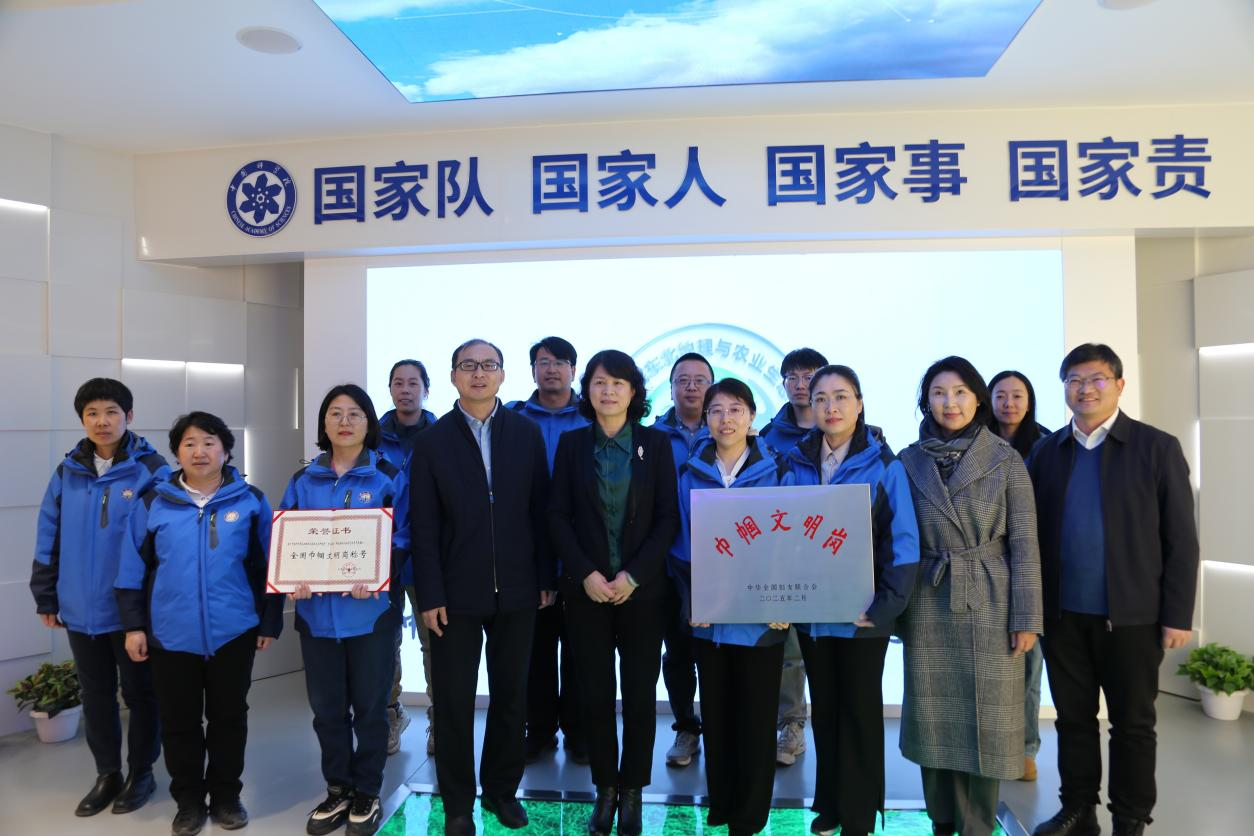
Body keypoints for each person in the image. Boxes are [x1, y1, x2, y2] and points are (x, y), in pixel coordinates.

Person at [1029, 344, 1198, 836]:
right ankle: (1079, 810)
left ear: (1119, 385)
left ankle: (1130, 818)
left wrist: (1177, 614)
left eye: (1097, 379)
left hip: (1133, 616)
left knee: (1133, 724)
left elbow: (1181, 539)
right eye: (1074, 380)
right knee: (1073, 720)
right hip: (1062, 616)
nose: (1085, 389)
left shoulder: (1156, 447)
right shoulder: (1047, 452)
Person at [409, 339, 555, 836]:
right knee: (453, 701)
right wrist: (430, 594)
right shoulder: (432, 442)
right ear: (453, 376)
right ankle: (457, 804)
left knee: (512, 695)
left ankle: (500, 791)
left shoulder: (526, 433)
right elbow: (423, 525)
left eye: (488, 365)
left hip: (518, 588)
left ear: (502, 375)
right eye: (468, 365)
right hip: (455, 593)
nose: (478, 373)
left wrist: (544, 577)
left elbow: (540, 511)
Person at [116, 412, 281, 836]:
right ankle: (188, 801)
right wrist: (134, 626)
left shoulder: (250, 500)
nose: (199, 451)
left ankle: (226, 796)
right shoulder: (153, 502)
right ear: (177, 452)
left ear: (226, 451)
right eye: (189, 443)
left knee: (229, 718)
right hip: (170, 634)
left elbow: (270, 565)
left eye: (209, 442)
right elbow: (131, 568)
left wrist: (268, 622)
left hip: (234, 631)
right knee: (179, 721)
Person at [897, 356, 1043, 836]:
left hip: (991, 600)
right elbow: (894, 539)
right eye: (939, 392)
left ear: (978, 398)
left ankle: (977, 823)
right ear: (926, 401)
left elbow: (1025, 543)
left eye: (960, 392)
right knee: (934, 717)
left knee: (988, 720)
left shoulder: (1005, 458)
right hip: (928, 600)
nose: (950, 402)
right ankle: (941, 819)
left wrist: (1027, 617)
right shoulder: (908, 461)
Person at [780, 365, 920, 836]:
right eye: (821, 398)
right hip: (812, 613)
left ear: (859, 404)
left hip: (864, 614)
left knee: (859, 711)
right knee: (825, 709)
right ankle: (831, 804)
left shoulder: (885, 464)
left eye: (841, 397)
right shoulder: (795, 463)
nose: (831, 407)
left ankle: (860, 814)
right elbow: (782, 535)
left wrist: (885, 607)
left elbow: (904, 542)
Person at [548, 350, 679, 836]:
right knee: (596, 695)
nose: (608, 391)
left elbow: (668, 518)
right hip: (587, 594)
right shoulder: (572, 445)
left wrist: (634, 576)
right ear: (587, 390)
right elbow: (556, 515)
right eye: (600, 383)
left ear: (634, 392)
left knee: (641, 696)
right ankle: (605, 789)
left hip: (642, 595)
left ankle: (633, 791)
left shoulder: (656, 444)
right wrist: (584, 573)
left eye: (618, 383)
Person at [30, 377, 168, 817]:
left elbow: (163, 542)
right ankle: (107, 773)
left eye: (111, 412)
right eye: (92, 413)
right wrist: (46, 594)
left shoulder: (152, 470)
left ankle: (141, 772)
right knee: (96, 696)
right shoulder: (67, 471)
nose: (102, 421)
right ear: (82, 420)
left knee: (141, 695)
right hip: (80, 607)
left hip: (132, 612)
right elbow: (48, 533)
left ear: (129, 416)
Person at [283, 384, 407, 836]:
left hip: (370, 615)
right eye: (335, 413)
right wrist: (290, 578)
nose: (345, 422)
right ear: (324, 423)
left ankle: (367, 791)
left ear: (369, 422)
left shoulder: (387, 476)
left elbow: (404, 536)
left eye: (355, 413)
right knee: (327, 711)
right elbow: (286, 539)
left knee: (371, 710)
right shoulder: (303, 480)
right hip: (317, 618)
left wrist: (377, 573)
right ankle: (338, 789)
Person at [672, 378, 789, 836]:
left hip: (761, 620)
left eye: (736, 409)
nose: (726, 419)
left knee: (756, 719)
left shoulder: (777, 471)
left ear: (752, 417)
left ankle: (750, 815)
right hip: (709, 620)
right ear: (706, 419)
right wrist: (694, 601)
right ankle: (720, 803)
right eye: (717, 410)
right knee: (717, 717)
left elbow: (791, 543)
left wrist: (782, 599)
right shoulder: (690, 472)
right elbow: (680, 548)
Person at [507, 336, 589, 765]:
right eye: (543, 362)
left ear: (574, 370)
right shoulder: (514, 418)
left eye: (560, 362)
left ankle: (578, 732)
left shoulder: (591, 416)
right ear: (533, 370)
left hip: (582, 552)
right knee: (534, 652)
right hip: (528, 552)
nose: (551, 369)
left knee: (579, 650)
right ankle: (538, 731)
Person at [758, 347, 828, 768]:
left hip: (832, 553)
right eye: (793, 377)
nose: (801, 384)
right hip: (785, 553)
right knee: (789, 649)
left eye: (810, 376)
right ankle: (791, 723)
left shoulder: (846, 428)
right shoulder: (768, 436)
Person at [988, 369, 1053, 782]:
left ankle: (1026, 746)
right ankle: (990, 744)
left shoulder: (1047, 446)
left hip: (1031, 563)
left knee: (1028, 663)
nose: (1009, 403)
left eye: (1017, 395)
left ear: (1029, 402)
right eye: (1001, 395)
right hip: (987, 565)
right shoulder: (974, 443)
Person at [651, 351, 713, 769]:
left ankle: (722, 724)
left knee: (717, 652)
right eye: (682, 380)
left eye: (700, 380)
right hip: (667, 560)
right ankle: (686, 728)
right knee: (677, 650)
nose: (691, 387)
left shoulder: (732, 429)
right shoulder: (652, 436)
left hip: (723, 561)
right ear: (670, 387)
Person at [378, 359, 436, 758]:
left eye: (413, 383)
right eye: (398, 383)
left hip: (428, 555)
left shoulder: (444, 434)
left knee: (435, 643)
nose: (405, 390)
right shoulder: (370, 438)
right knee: (385, 642)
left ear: (426, 390)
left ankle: (440, 718)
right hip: (380, 556)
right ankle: (390, 713)